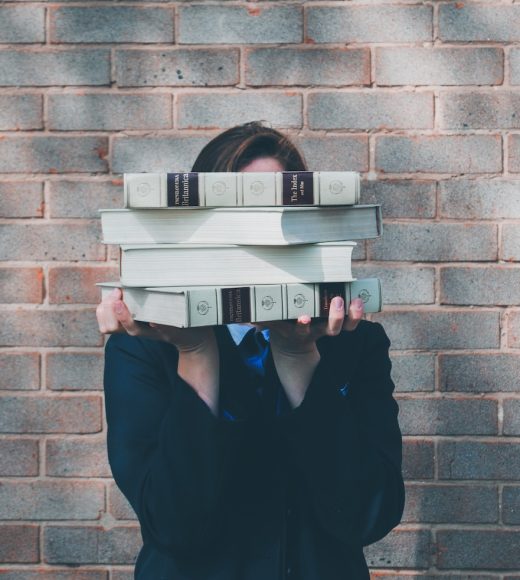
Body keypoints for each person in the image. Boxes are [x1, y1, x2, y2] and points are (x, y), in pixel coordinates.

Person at [97, 122, 405, 580]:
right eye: (236, 222)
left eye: (272, 219)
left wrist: (300, 360)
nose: (256, 245)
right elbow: (173, 524)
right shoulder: (146, 346)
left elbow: (368, 516)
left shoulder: (356, 344)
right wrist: (196, 352)